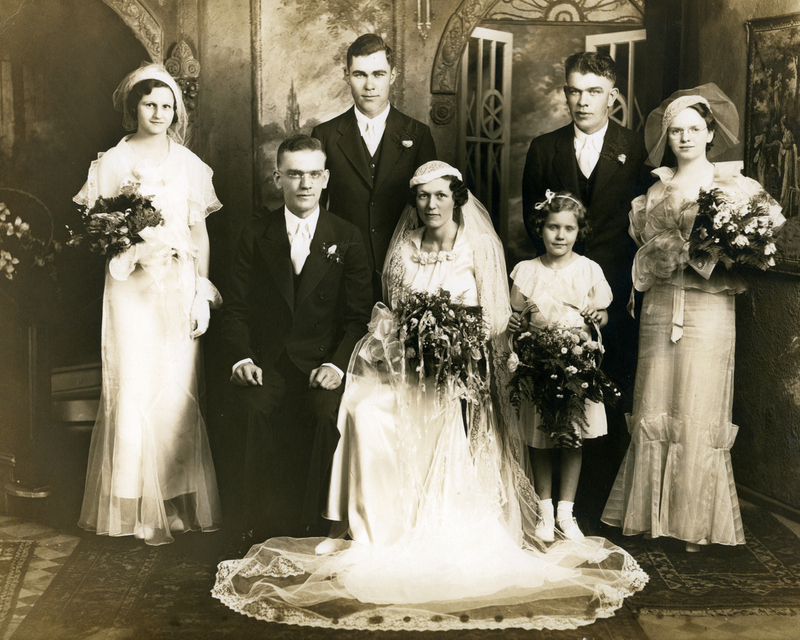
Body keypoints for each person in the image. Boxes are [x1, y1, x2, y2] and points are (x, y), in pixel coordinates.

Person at [212, 161, 648, 632]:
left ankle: (431, 522)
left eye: (441, 196)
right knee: (364, 408)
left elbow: (495, 320)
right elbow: (391, 315)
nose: (431, 205)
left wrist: (456, 352)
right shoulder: (403, 248)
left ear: (457, 198)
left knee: (432, 414)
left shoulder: (478, 247)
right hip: (407, 364)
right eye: (422, 196)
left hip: (462, 369)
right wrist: (410, 347)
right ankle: (370, 528)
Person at [601, 84, 784, 551]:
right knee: (656, 397)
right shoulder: (655, 192)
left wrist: (714, 250)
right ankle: (649, 517)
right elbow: (642, 254)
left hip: (708, 306)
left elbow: (756, 249)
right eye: (676, 130)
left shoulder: (734, 187)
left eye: (694, 129)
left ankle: (694, 524)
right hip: (662, 306)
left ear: (710, 134)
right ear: (668, 137)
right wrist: (664, 252)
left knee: (699, 403)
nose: (684, 138)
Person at [76, 64, 222, 545]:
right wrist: (131, 250)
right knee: (134, 385)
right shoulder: (112, 162)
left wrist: (200, 289)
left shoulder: (190, 165)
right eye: (149, 104)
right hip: (131, 289)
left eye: (167, 105)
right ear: (133, 107)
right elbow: (98, 230)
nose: (158, 113)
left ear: (176, 111)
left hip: (177, 284)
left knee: (176, 391)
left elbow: (199, 232)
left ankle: (174, 499)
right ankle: (134, 503)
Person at [221, 134, 372, 546]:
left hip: (320, 363)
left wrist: (337, 365)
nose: (304, 184)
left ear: (325, 179)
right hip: (266, 362)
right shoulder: (256, 233)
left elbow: (360, 317)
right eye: (294, 174)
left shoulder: (348, 235)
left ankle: (312, 526)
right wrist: (241, 360)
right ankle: (254, 524)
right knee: (251, 408)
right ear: (277, 179)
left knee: (325, 415)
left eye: (312, 174)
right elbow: (234, 309)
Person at [521, 51, 650, 521]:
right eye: (574, 90)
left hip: (614, 294)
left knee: (608, 392)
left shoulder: (636, 148)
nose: (582, 101)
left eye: (593, 91)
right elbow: (531, 223)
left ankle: (598, 507)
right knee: (551, 395)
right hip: (557, 292)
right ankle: (552, 505)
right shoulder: (544, 148)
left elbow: (645, 224)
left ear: (612, 96)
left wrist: (616, 295)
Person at [508, 190, 612, 543]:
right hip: (539, 364)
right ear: (541, 229)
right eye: (553, 227)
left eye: (568, 228)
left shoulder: (589, 270)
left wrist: (597, 315)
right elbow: (517, 315)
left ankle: (567, 513)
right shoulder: (526, 271)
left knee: (571, 437)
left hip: (576, 366)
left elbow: (603, 313)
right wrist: (515, 325)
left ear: (578, 231)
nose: (560, 235)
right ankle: (544, 510)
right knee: (540, 438)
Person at [312, 33, 437, 300]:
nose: (369, 85)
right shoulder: (325, 135)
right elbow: (315, 210)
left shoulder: (418, 134)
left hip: (406, 267)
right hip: (342, 270)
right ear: (347, 76)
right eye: (360, 75)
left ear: (393, 75)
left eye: (378, 74)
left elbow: (431, 206)